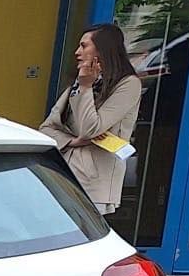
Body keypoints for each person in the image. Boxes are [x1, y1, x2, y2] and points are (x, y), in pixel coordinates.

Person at [41, 22, 144, 216]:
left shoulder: (128, 84)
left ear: (103, 49)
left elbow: (91, 129)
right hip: (63, 172)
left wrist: (85, 87)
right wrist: (72, 141)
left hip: (94, 181)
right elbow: (47, 127)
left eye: (84, 46)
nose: (77, 52)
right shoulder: (80, 82)